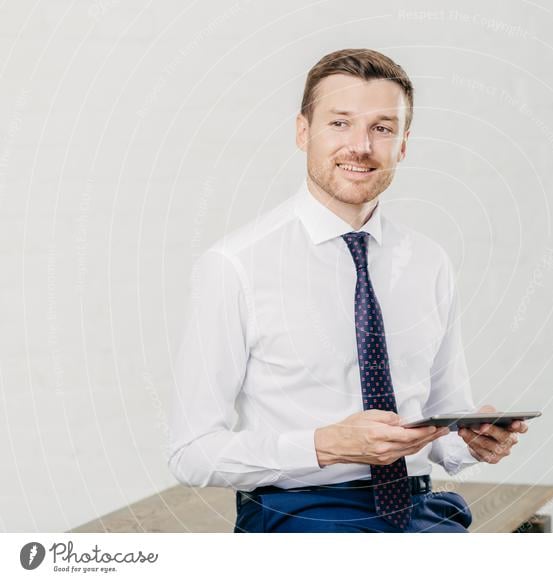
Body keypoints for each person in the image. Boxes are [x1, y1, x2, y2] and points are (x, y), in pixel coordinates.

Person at [167, 48, 528, 533]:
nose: (360, 146)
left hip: (418, 510)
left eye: (382, 128)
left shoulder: (428, 262)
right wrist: (325, 445)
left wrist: (472, 438)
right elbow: (192, 454)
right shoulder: (235, 266)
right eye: (340, 123)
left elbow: (441, 427)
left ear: (403, 144)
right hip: (298, 512)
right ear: (303, 132)